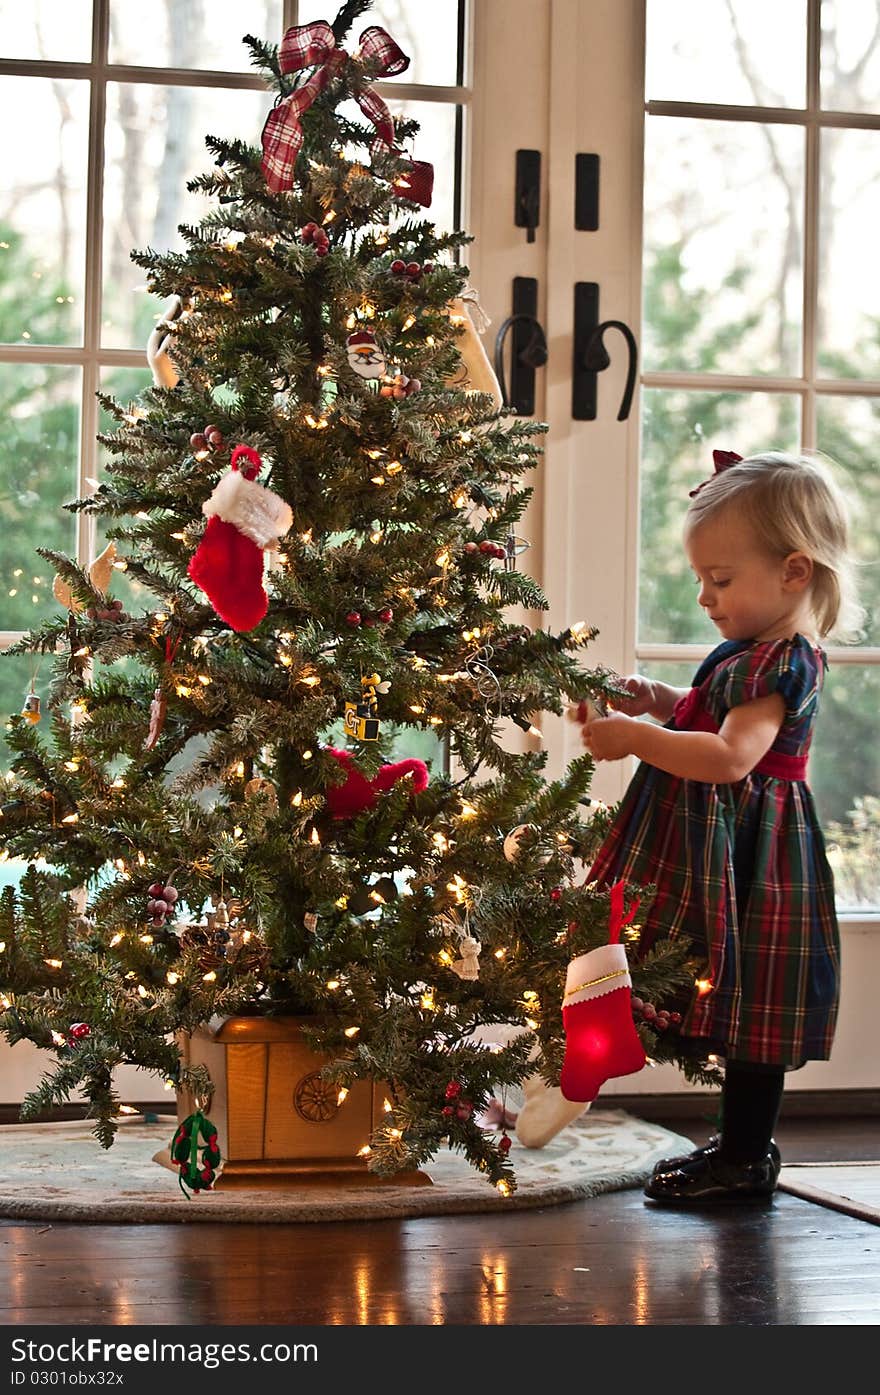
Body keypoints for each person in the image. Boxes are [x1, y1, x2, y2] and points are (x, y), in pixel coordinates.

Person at [579, 450, 862, 1206]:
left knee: (754, 1000)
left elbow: (734, 756)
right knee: (729, 991)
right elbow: (709, 716)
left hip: (755, 851)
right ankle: (738, 1145)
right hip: (725, 840)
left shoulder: (784, 661)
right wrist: (657, 701)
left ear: (795, 571)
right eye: (701, 579)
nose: (705, 596)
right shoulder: (748, 651)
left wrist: (634, 740)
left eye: (722, 580)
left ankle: (744, 1157)